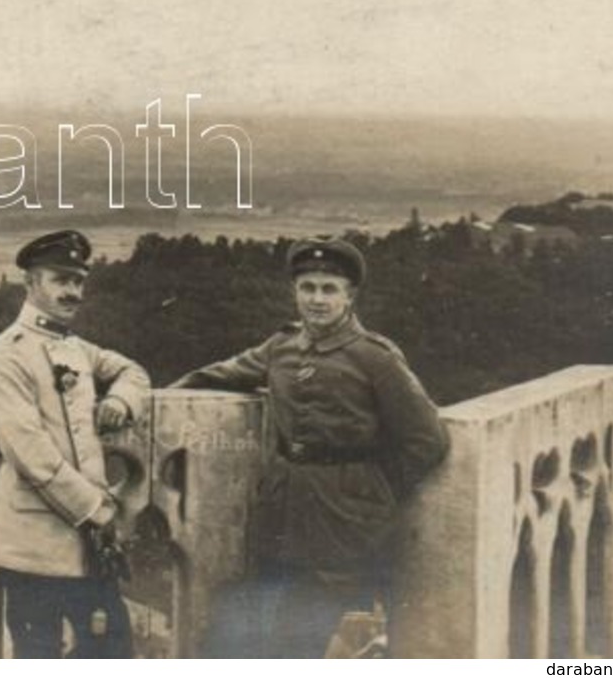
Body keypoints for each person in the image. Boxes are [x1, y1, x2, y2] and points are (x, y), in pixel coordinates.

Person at [172, 236, 449, 657]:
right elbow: (216, 376)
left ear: (349, 296)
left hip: (344, 522)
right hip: (282, 514)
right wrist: (153, 399)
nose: (317, 300)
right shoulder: (281, 346)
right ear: (294, 292)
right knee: (245, 635)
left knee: (297, 639)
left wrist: (374, 488)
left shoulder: (374, 357)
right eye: (307, 288)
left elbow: (427, 439)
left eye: (329, 289)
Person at [0, 230, 150, 658]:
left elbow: (134, 372)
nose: (72, 292)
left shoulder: (75, 347)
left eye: (78, 281)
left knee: (113, 650)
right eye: (60, 280)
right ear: (31, 284)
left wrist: (121, 401)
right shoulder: (5, 355)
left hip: (87, 547)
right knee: (40, 654)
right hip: (32, 544)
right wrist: (96, 509)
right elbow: (29, 455)